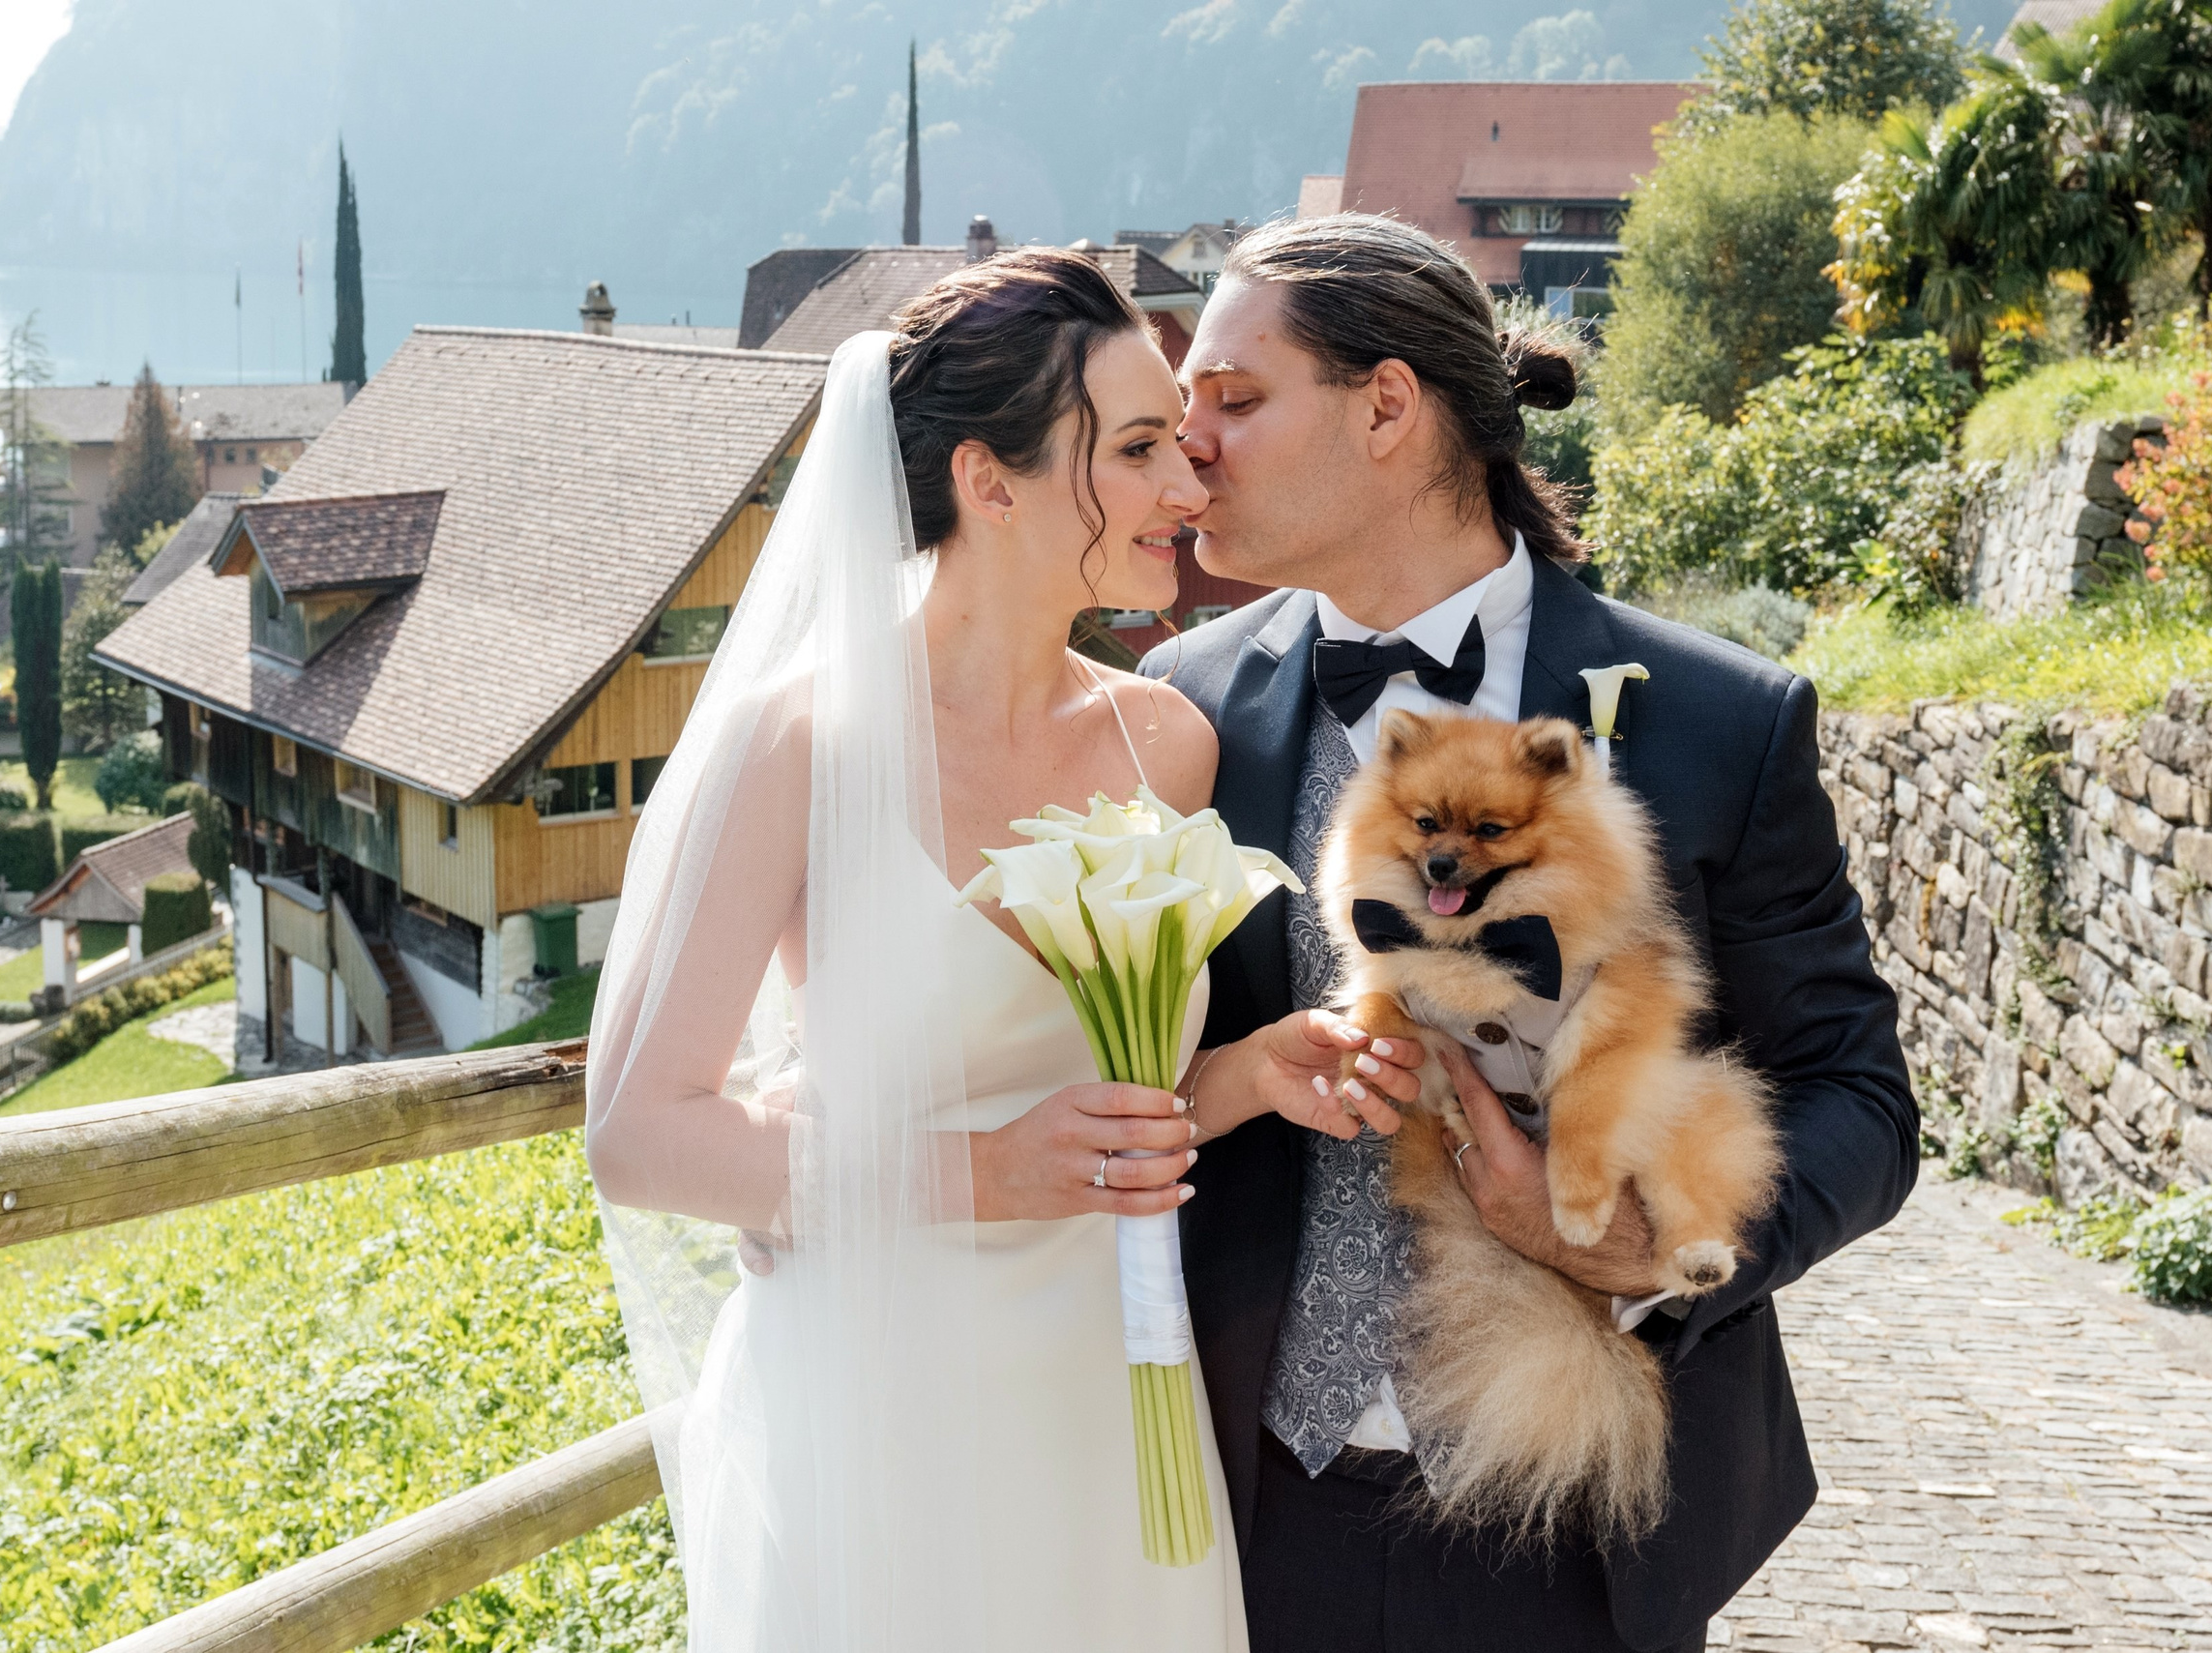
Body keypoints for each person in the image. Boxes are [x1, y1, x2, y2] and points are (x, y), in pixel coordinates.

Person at [581, 249, 1430, 1650]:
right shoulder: (800, 744)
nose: (1189, 486)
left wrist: (1248, 1073)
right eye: (1143, 446)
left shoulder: (1166, 743)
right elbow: (641, 1135)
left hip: (1115, 1398)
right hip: (878, 1409)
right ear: (992, 480)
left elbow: (1113, 1107)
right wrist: (985, 1170)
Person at [1138, 214, 1919, 1653]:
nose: (1191, 447)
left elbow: (1860, 1099)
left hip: (1584, 1527)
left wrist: (1659, 1247)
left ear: (1387, 407)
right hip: (1232, 1509)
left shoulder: (1717, 722)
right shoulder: (1172, 706)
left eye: (1234, 401)